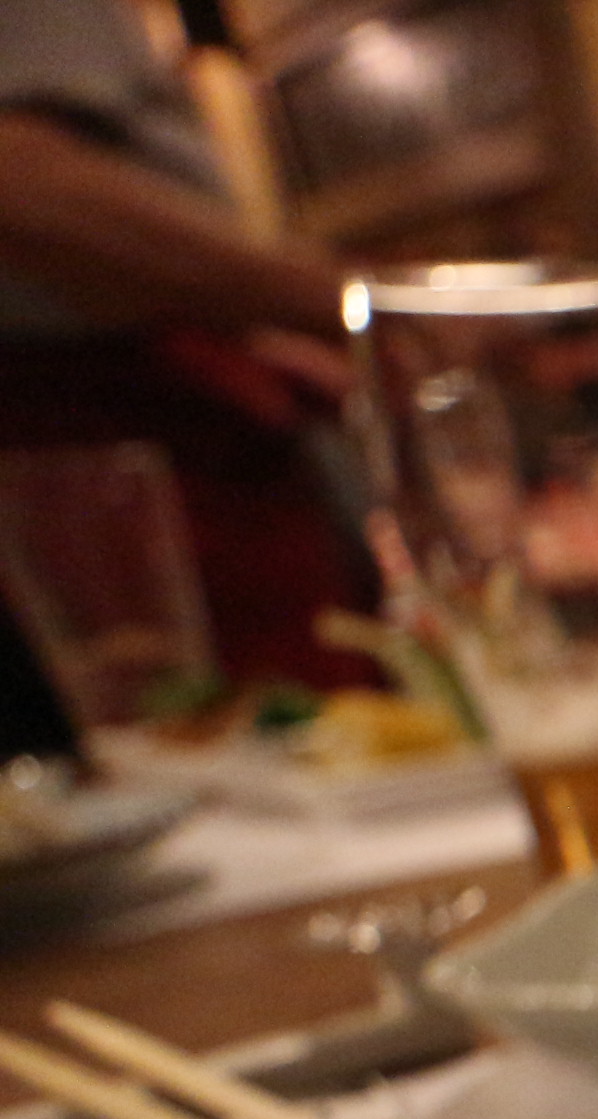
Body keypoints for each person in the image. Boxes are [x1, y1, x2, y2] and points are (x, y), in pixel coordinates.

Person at [0, 0, 372, 738]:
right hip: (102, 451)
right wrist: (365, 308)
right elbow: (17, 181)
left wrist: (253, 339)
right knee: (208, 751)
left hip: (142, 423)